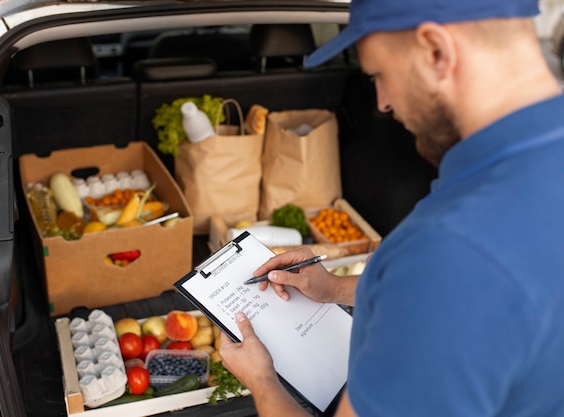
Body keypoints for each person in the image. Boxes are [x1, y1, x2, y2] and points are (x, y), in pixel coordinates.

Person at [218, 0, 564, 416]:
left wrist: (262, 381)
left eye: (379, 75)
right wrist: (336, 290)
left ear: (436, 50)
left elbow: (452, 286)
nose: (382, 103)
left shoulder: (447, 252)